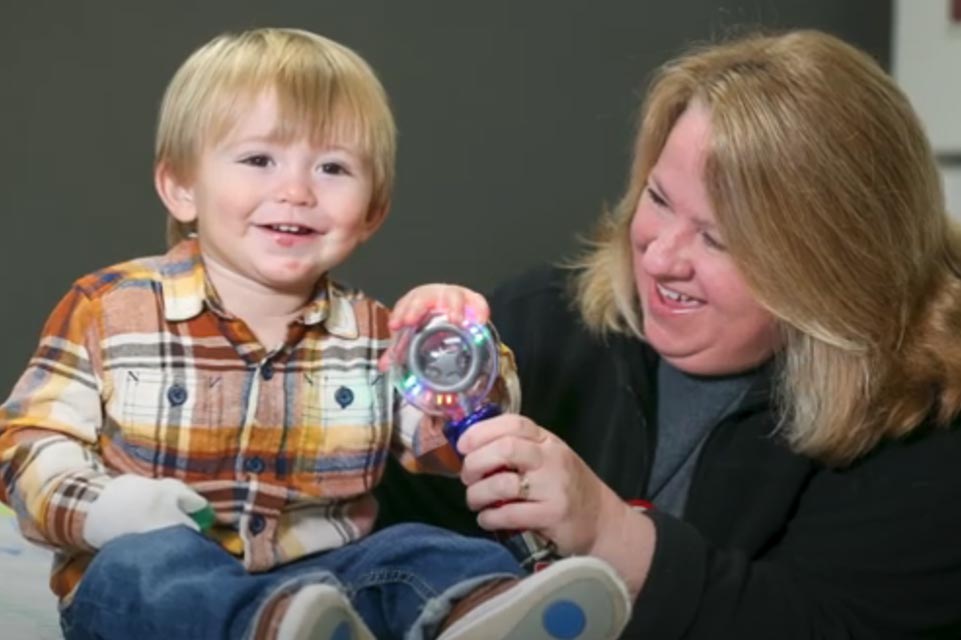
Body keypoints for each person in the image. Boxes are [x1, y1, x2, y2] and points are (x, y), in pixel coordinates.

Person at [0, 28, 631, 640]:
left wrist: (455, 345)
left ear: (372, 211)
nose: (296, 191)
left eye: (332, 168)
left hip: (326, 585)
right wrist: (107, 510)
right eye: (258, 159)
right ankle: (266, 627)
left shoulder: (379, 337)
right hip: (155, 587)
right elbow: (27, 444)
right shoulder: (111, 308)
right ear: (181, 187)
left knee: (420, 550)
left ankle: (484, 614)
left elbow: (455, 447)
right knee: (145, 569)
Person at [377, 29, 961, 638]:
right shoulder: (545, 324)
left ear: (834, 266)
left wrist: (612, 535)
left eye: (718, 238)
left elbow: (831, 624)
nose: (660, 258)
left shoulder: (925, 427)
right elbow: (372, 528)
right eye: (658, 198)